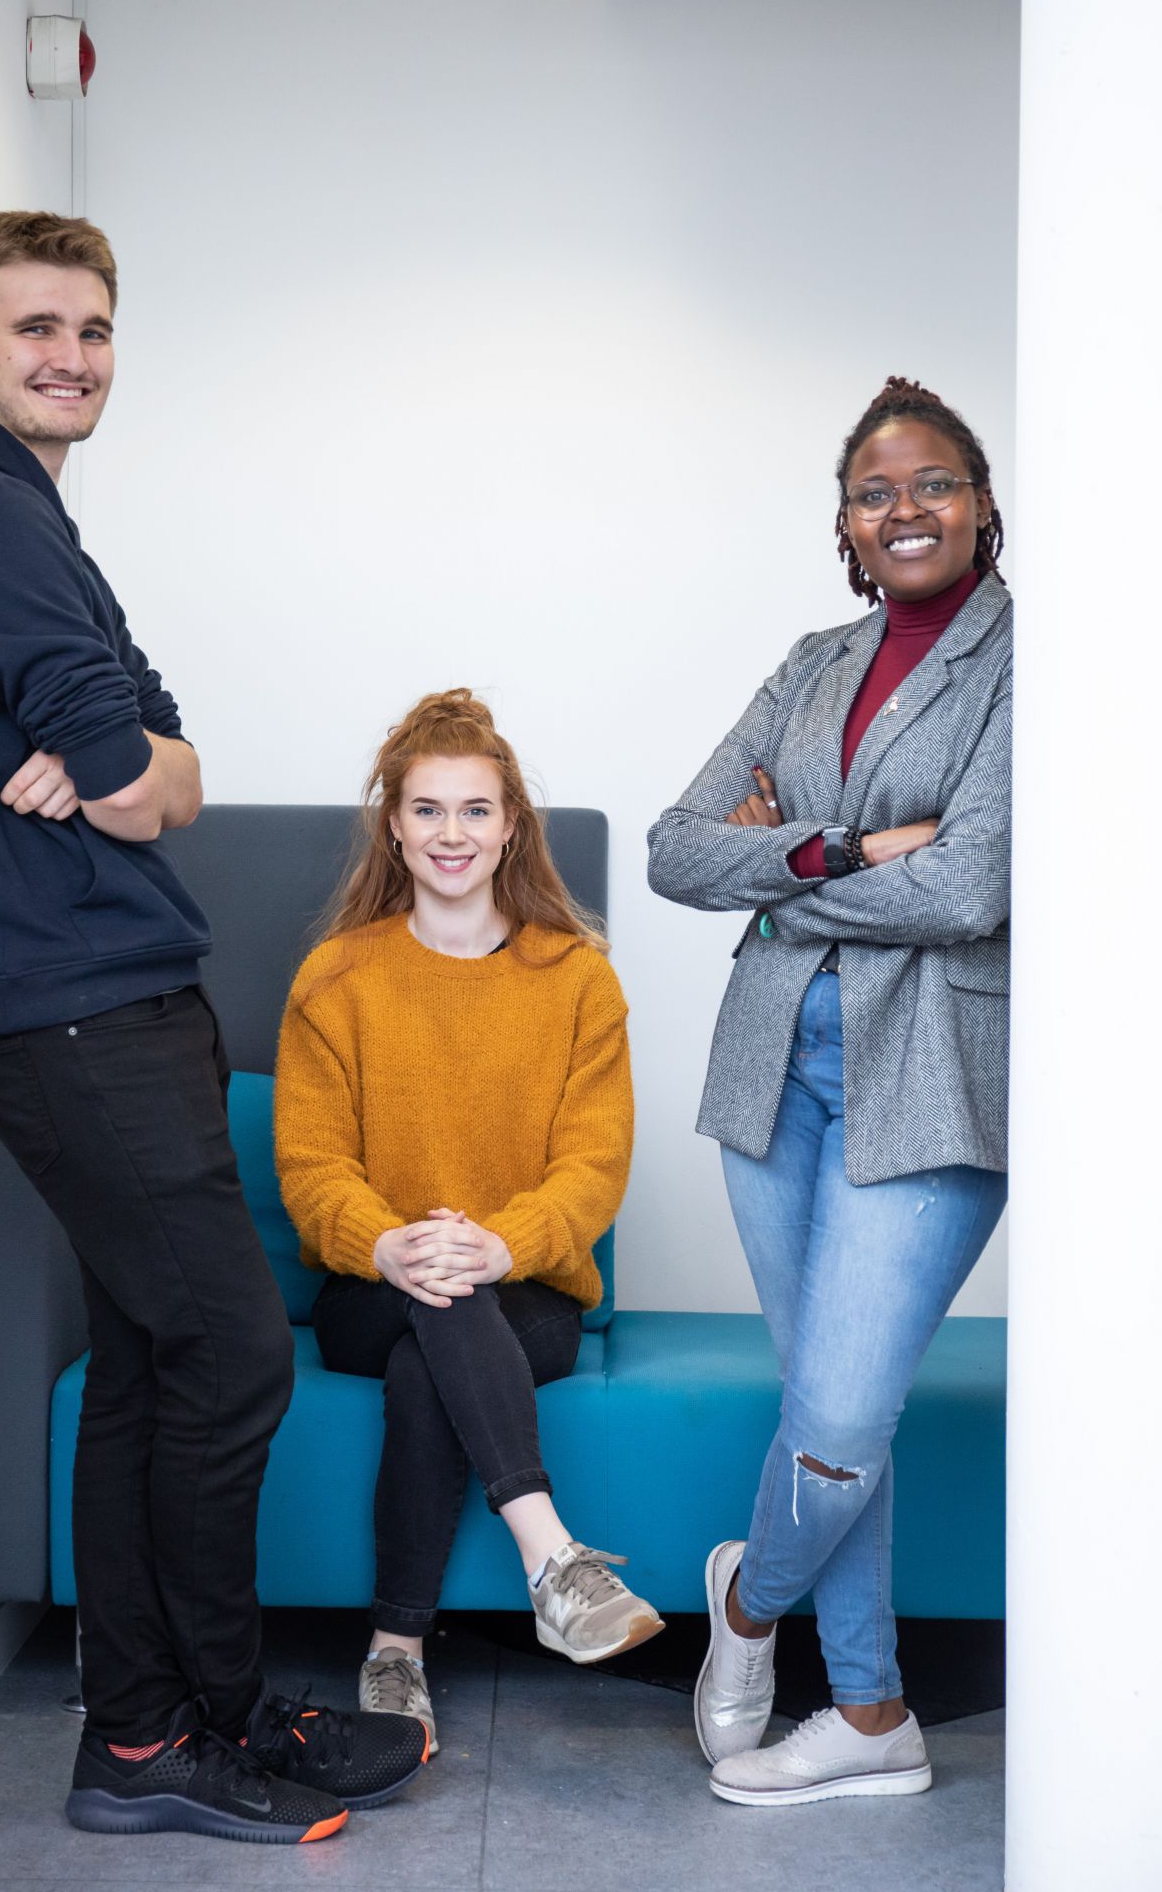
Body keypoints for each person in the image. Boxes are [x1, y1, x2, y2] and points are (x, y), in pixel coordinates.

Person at [0, 210, 426, 1846]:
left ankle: (161, 1730)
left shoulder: (30, 520)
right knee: (234, 1358)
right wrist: (124, 771)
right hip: (70, 1017)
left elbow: (165, 760)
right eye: (35, 325)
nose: (71, 354)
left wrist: (132, 769)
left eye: (95, 329)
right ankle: (177, 1731)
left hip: (120, 1003)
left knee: (147, 1370)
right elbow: (129, 781)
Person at [648, 376, 1011, 1808]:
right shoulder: (810, 663)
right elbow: (683, 849)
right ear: (849, 531)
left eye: (933, 483)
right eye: (876, 492)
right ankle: (869, 1716)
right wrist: (848, 854)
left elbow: (976, 882)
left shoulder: (1031, 661)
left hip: (930, 1074)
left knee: (846, 1415)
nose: (905, 508)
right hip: (772, 1069)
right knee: (824, 1406)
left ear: (983, 506)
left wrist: (780, 877)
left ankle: (744, 1602)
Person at [273, 690, 663, 1754]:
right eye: (430, 810)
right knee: (430, 1302)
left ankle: (394, 1653)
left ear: (512, 825)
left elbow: (595, 1165)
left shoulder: (577, 979)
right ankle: (553, 1560)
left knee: (433, 1345)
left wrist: (501, 1242)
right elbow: (310, 1168)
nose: (454, 834)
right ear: (393, 824)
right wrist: (387, 1242)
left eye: (476, 811)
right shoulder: (339, 977)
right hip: (365, 1288)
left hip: (524, 1289)